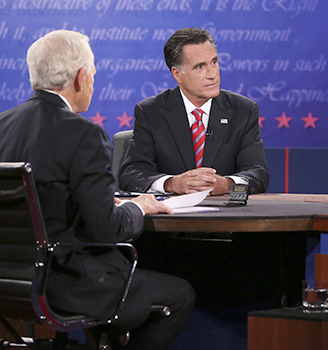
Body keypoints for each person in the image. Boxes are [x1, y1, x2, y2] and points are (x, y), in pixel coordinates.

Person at [0, 30, 195, 349]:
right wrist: (138, 207)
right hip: (71, 284)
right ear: (79, 78)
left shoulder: (2, 126)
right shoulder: (83, 134)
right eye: (92, 73)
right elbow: (107, 228)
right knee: (180, 294)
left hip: (12, 285)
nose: (92, 80)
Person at [118, 27, 269, 195]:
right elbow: (131, 174)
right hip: (171, 215)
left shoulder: (243, 111)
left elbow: (258, 174)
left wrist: (226, 184)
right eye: (199, 67)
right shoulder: (151, 112)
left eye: (214, 62)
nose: (212, 74)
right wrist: (172, 183)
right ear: (177, 74)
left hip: (225, 216)